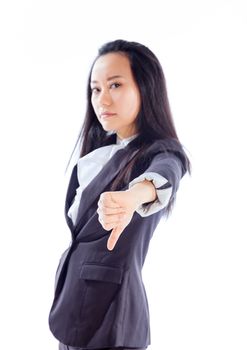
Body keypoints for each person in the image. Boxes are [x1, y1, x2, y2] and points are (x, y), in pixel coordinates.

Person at [48, 39, 191, 350]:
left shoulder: (160, 152)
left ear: (145, 87)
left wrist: (132, 197)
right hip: (76, 312)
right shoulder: (99, 155)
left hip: (114, 321)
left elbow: (166, 174)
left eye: (115, 85)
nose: (102, 99)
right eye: (96, 89)